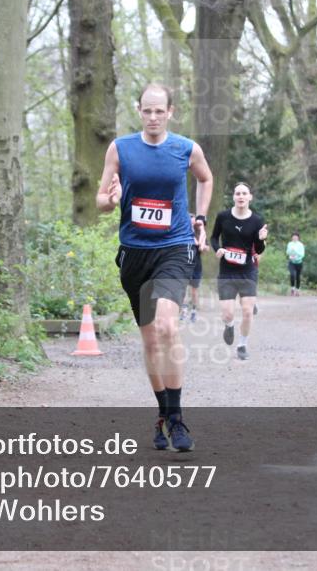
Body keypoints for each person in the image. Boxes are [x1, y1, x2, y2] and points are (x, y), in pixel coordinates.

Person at [96, 83, 213, 452]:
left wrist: (201, 218)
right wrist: (110, 201)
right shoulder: (121, 148)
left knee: (166, 326)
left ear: (170, 111)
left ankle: (178, 420)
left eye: (159, 111)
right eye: (147, 111)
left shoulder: (186, 148)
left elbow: (205, 178)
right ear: (138, 110)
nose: (153, 117)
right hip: (134, 253)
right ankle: (162, 413)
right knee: (150, 340)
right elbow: (100, 199)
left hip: (174, 247)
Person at [210, 182, 267, 360]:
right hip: (227, 271)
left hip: (247, 271)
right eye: (237, 193)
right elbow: (213, 237)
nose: (241, 196)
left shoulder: (257, 221)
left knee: (248, 311)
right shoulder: (223, 217)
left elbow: (258, 250)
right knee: (227, 313)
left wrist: (261, 240)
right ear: (233, 197)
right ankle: (229, 325)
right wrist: (217, 249)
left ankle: (242, 345)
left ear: (250, 197)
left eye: (244, 193)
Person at [181, 214, 204, 322]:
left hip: (196, 266)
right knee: (184, 289)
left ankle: (194, 311)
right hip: (184, 264)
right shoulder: (181, 232)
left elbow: (203, 246)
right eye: (189, 221)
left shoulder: (199, 233)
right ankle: (184, 311)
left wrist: (202, 229)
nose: (191, 222)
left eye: (193, 221)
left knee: (194, 291)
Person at [286, 231, 305, 296]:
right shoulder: (289, 244)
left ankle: (297, 290)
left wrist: (295, 251)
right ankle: (292, 289)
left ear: (298, 238)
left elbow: (302, 255)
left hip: (299, 262)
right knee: (292, 274)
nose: (294, 238)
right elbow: (287, 252)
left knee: (298, 276)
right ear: (292, 238)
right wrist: (290, 252)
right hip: (291, 262)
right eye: (293, 237)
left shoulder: (301, 245)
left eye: (296, 237)